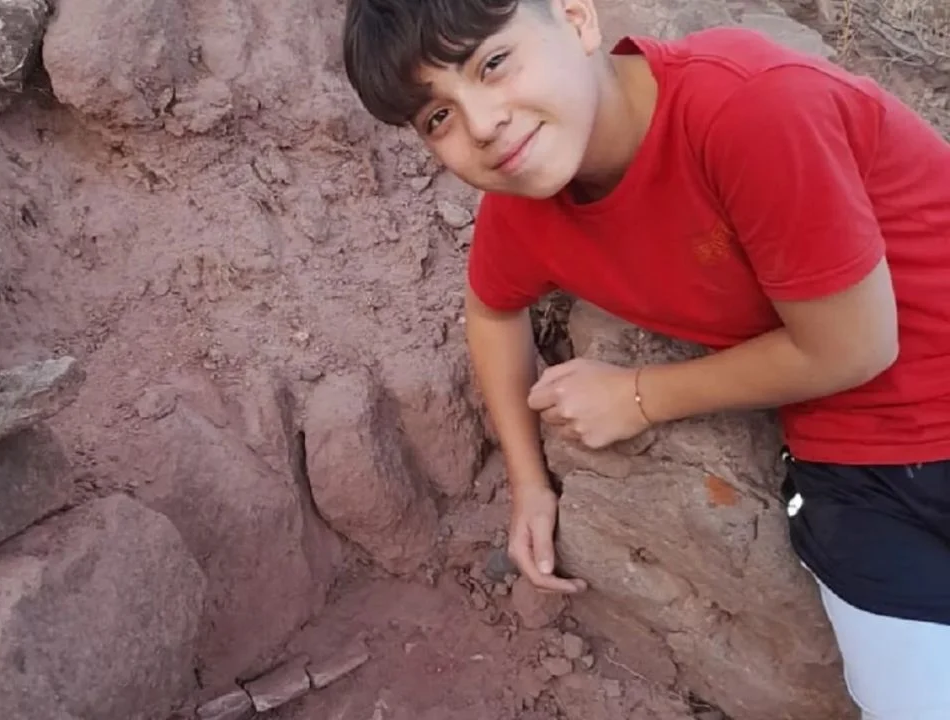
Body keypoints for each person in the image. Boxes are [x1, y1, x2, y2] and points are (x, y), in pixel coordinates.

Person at [341, 0, 950, 717]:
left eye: (493, 63)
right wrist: (528, 483)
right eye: (436, 118)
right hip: (856, 467)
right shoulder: (530, 200)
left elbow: (856, 344)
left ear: (575, 19)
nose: (481, 123)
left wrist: (638, 396)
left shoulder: (745, 106)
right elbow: (490, 309)